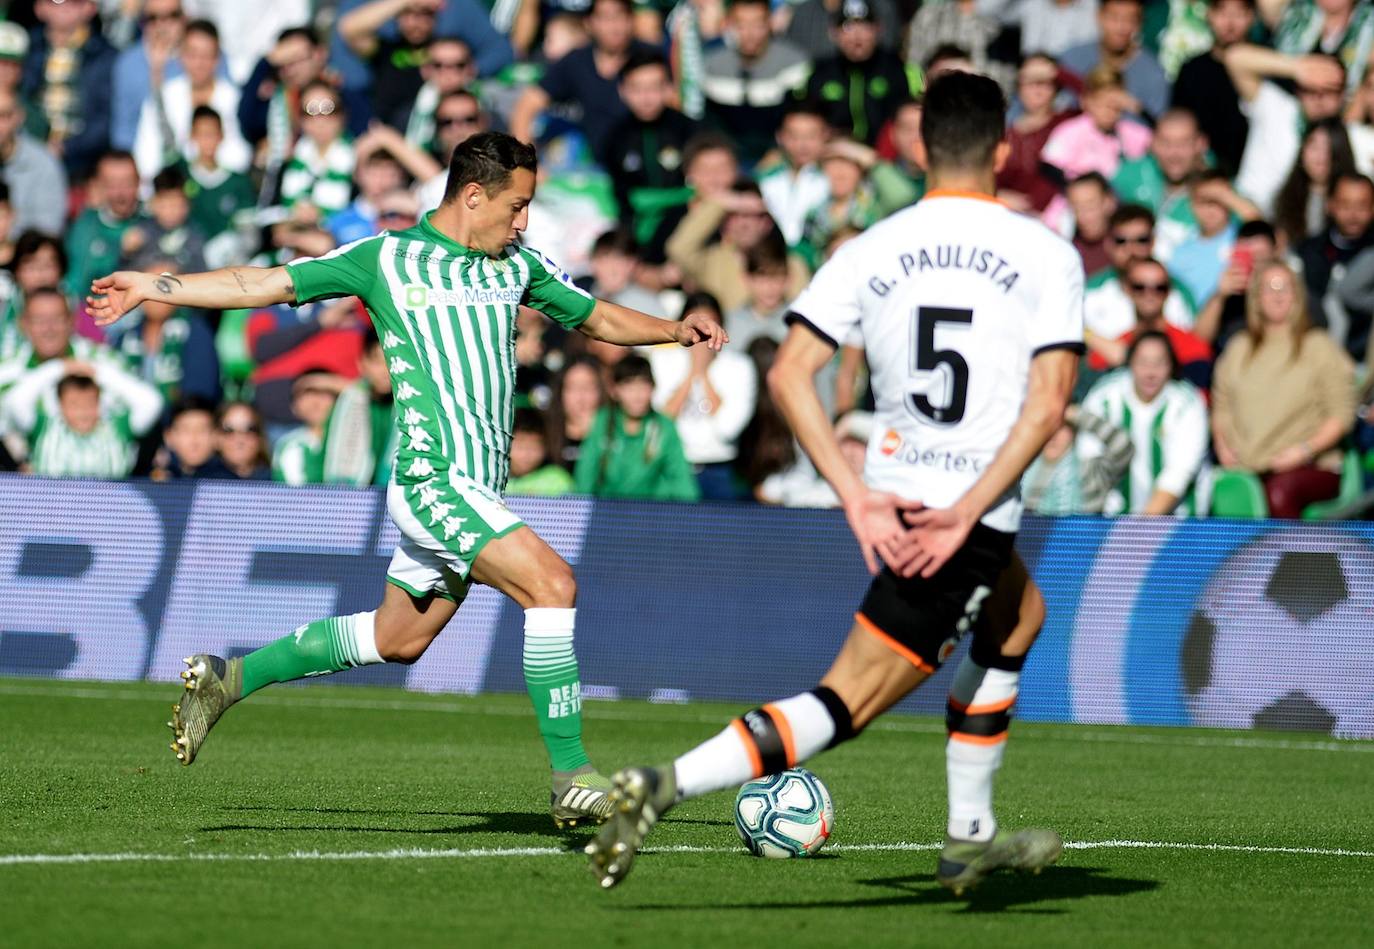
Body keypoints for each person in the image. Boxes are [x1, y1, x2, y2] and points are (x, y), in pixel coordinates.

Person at [88, 130, 727, 829]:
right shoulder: (385, 259)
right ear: (473, 196)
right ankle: (572, 776)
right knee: (553, 584)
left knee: (399, 639)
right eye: (517, 206)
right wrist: (155, 285)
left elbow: (597, 314)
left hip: (482, 488)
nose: (524, 222)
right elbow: (265, 282)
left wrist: (674, 330)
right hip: (434, 479)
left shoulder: (515, 264)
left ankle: (228, 680)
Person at [584, 71, 1081, 893]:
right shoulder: (1043, 253)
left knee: (1018, 615)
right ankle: (664, 783)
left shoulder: (872, 247)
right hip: (958, 511)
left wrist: (854, 492)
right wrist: (968, 511)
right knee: (844, 703)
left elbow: (790, 373)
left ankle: (968, 839)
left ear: (920, 150)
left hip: (893, 492)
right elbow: (1049, 403)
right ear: (1002, 150)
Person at [1212, 259, 1356, 517]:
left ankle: (1292, 558)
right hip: (1248, 466)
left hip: (1309, 466)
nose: (1277, 296)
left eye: (1284, 287)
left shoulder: (1318, 346)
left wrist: (1303, 451)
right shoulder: (1239, 348)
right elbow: (1221, 405)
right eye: (1269, 288)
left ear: (1297, 295)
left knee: (1280, 491)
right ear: (1256, 297)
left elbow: (1342, 415)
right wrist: (1223, 446)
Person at [1078, 331, 1211, 515]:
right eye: (1143, 362)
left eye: (1159, 363)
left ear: (1171, 366)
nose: (1150, 372)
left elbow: (1178, 474)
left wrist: (1140, 531)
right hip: (1112, 522)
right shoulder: (1104, 398)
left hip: (1179, 524)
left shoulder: (1188, 404)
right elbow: (1089, 460)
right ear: (1130, 363)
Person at [649, 291, 758, 499]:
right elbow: (661, 422)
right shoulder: (663, 361)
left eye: (709, 327)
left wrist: (704, 373)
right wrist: (692, 372)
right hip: (673, 468)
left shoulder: (740, 366)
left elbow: (727, 428)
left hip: (719, 470)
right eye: (695, 327)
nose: (701, 335)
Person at [509, 0, 652, 158]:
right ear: (590, 23)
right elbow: (526, 107)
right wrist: (528, 163)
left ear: (632, 20)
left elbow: (673, 105)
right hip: (593, 168)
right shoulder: (576, 62)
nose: (615, 27)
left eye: (621, 16)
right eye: (606, 18)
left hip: (645, 161)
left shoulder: (649, 58)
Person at [1227, 44, 1346, 216]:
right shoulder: (1276, 108)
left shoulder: (1353, 137)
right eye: (1310, 90)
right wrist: (1296, 67)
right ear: (1298, 90)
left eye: (1329, 91)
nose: (1319, 99)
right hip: (1245, 215)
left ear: (1342, 95)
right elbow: (1234, 58)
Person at [1, 358, 163, 478]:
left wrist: (99, 372)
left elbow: (152, 403)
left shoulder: (118, 427)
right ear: (60, 406)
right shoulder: (44, 427)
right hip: (51, 517)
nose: (83, 411)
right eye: (74, 404)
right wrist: (59, 368)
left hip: (110, 516)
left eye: (90, 403)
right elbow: (15, 401)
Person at [132, 18, 250, 183]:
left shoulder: (234, 99)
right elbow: (146, 151)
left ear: (218, 58)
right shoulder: (164, 96)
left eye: (207, 56)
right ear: (181, 55)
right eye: (192, 54)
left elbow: (239, 154)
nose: (199, 63)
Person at [573, 353, 700, 500]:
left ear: (653, 388)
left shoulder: (665, 427)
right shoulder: (602, 422)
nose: (637, 395)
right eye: (629, 387)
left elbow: (681, 479)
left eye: (643, 386)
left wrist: (691, 515)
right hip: (608, 513)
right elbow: (586, 475)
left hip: (652, 514)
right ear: (614, 390)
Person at [701, 0, 810, 166]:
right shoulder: (712, 64)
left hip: (782, 158)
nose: (749, 33)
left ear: (770, 23)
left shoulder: (794, 63)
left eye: (757, 24)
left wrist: (778, 152)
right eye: (740, 25)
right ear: (728, 24)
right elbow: (711, 124)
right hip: (729, 159)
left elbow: (799, 120)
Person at [22, 0, 118, 177]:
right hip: (29, 155)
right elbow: (18, 101)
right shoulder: (26, 50)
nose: (64, 7)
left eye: (74, 2)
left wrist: (66, 147)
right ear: (39, 8)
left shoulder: (106, 57)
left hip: (83, 164)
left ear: (90, 8)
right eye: (56, 1)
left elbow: (107, 118)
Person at [802, 0, 916, 144]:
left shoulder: (897, 69)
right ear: (833, 32)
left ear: (879, 29)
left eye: (865, 26)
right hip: (832, 154)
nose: (857, 36)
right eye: (847, 27)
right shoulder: (819, 72)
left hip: (888, 156)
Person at [1172, 0, 1255, 178]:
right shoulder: (1192, 70)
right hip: (1200, 175)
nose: (1230, 24)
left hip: (1255, 175)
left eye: (1239, 14)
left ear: (1251, 17)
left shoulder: (1264, 71)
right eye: (1222, 13)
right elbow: (1178, 123)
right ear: (1209, 15)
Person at [1060, 0, 1170, 122]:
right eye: (1113, 18)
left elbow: (1158, 127)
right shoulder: (1071, 58)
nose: (1121, 27)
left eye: (1130, 20)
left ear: (1140, 24)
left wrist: (1135, 108)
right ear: (1099, 16)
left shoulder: (1153, 73)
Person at [1041, 65, 1152, 183]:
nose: (1109, 111)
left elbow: (1163, 140)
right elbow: (1049, 168)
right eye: (1102, 103)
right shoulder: (1070, 132)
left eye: (1115, 105)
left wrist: (1140, 110)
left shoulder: (1132, 132)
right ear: (1086, 101)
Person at [1021, 404, 1135, 515]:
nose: (1053, 436)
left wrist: (1074, 413)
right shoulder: (1021, 474)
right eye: (1048, 428)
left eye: (1061, 428)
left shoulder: (1091, 472)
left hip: (1084, 533)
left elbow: (1124, 447)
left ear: (1073, 433)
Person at [65, 151, 148, 300]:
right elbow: (77, 285)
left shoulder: (153, 220)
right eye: (112, 185)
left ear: (139, 183)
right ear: (98, 185)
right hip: (98, 312)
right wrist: (120, 252)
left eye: (127, 183)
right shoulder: (86, 226)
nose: (120, 193)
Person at [321, 328, 397, 486]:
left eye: (390, 362)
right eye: (377, 362)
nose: (385, 371)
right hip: (352, 498)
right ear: (362, 363)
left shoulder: (407, 404)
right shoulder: (350, 400)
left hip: (391, 494)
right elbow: (328, 454)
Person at [757, 101, 831, 248]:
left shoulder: (835, 178)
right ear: (780, 137)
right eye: (794, 137)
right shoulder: (764, 176)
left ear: (826, 135)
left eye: (811, 136)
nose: (802, 145)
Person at [1274, 119, 1357, 247]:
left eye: (1329, 148)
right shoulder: (1286, 199)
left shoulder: (1357, 195)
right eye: (1314, 147)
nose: (1321, 157)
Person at [0, 86, 67, 239]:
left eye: (3, 116)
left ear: (19, 117)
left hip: (23, 257)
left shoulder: (43, 164)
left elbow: (48, 231)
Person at [272, 370, 341, 485]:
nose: (315, 402)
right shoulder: (291, 445)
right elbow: (297, 495)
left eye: (323, 392)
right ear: (294, 407)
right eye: (307, 394)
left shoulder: (355, 434)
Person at [548, 355, 607, 471]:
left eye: (588, 388)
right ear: (560, 393)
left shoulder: (614, 434)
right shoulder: (546, 435)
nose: (580, 397)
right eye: (572, 388)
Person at [506, 407, 575, 495]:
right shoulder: (494, 477)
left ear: (546, 447)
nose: (526, 454)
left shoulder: (557, 481)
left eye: (534, 447)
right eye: (520, 446)